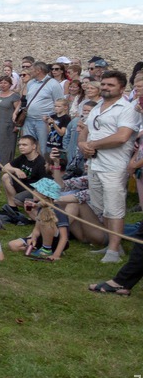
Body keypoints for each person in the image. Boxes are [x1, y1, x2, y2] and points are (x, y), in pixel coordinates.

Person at [79, 70, 141, 264]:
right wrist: (83, 144)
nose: (105, 88)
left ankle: (113, 250)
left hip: (114, 165)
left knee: (114, 208)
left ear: (122, 88)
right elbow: (86, 129)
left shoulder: (127, 108)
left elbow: (122, 136)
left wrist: (94, 145)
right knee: (102, 207)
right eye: (104, 84)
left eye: (110, 85)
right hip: (95, 163)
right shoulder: (97, 106)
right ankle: (113, 245)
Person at [22, 62, 64, 155]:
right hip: (29, 119)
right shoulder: (30, 83)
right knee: (27, 146)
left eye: (32, 70)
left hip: (44, 121)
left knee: (44, 147)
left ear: (38, 71)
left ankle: (44, 167)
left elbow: (60, 102)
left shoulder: (53, 84)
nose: (30, 72)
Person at [0, 76, 22, 162]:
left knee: (6, 144)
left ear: (10, 84)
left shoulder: (14, 96)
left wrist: (17, 125)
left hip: (7, 124)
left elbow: (18, 111)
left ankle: (5, 162)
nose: (3, 85)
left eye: (5, 83)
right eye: (1, 83)